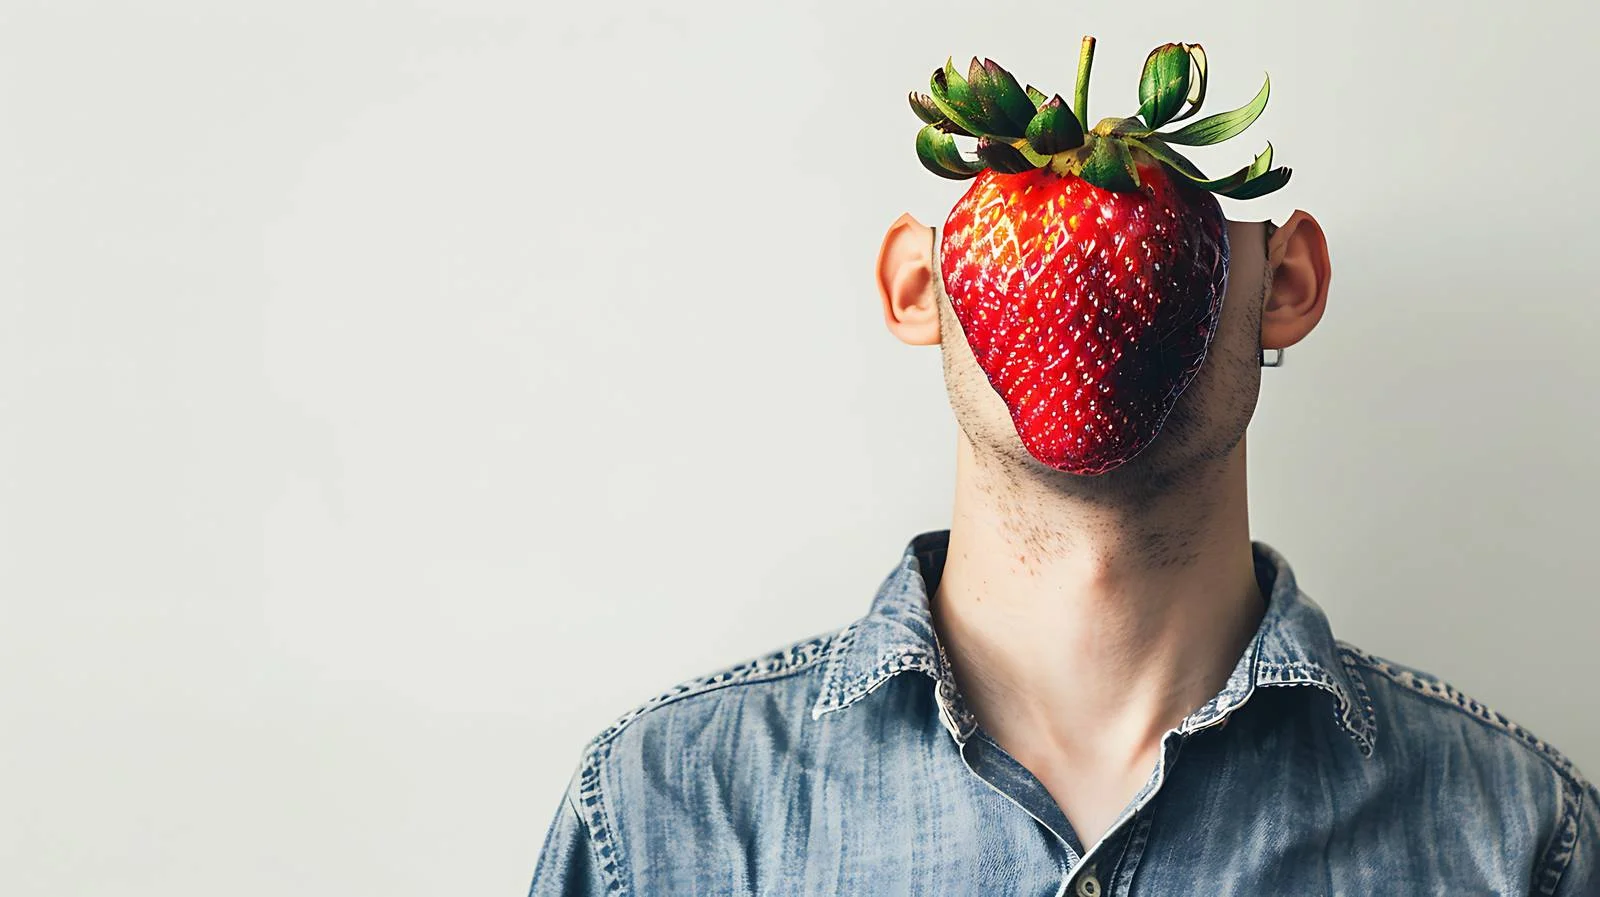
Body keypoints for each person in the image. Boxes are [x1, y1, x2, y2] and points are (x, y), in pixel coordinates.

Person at [526, 206, 1596, 895]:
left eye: (1157, 219)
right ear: (919, 286)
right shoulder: (665, 812)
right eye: (1023, 226)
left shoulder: (1514, 836)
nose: (1085, 288)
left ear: (1281, 285)